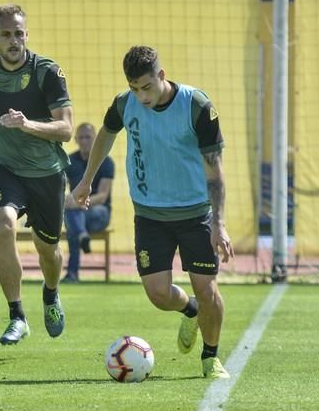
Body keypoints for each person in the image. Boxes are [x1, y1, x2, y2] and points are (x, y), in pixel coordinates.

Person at [71, 46, 235, 379]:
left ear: (161, 75)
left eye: (146, 87)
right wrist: (86, 180)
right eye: (134, 88)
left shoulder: (197, 106)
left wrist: (219, 223)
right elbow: (106, 133)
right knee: (159, 295)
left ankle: (210, 358)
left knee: (207, 289)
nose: (141, 96)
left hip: (195, 214)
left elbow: (214, 172)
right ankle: (189, 310)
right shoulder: (124, 104)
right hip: (150, 215)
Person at [0, 3, 73, 345]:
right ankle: (17, 316)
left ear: (26, 35)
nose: (13, 40)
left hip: (46, 173)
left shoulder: (47, 72)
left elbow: (66, 130)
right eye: (6, 34)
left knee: (47, 249)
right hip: (3, 166)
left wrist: (27, 124)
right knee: (2, 224)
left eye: (18, 33)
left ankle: (50, 294)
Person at [62, 122, 114, 283]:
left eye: (88, 137)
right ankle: (82, 235)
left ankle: (72, 273)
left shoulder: (106, 162)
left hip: (99, 213)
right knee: (73, 221)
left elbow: (103, 196)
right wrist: (67, 201)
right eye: (81, 137)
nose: (84, 141)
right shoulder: (69, 160)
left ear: (95, 139)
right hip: (77, 212)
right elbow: (61, 188)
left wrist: (76, 203)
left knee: (73, 219)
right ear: (76, 139)